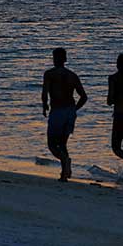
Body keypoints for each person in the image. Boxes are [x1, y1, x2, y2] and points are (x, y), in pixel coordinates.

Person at [42, 47, 87, 182]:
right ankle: (64, 174)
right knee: (63, 144)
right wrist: (74, 110)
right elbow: (84, 97)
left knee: (51, 144)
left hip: (57, 111)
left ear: (55, 59)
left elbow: (45, 92)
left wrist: (44, 105)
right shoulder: (72, 76)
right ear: (65, 59)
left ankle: (65, 161)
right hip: (69, 112)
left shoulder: (49, 74)